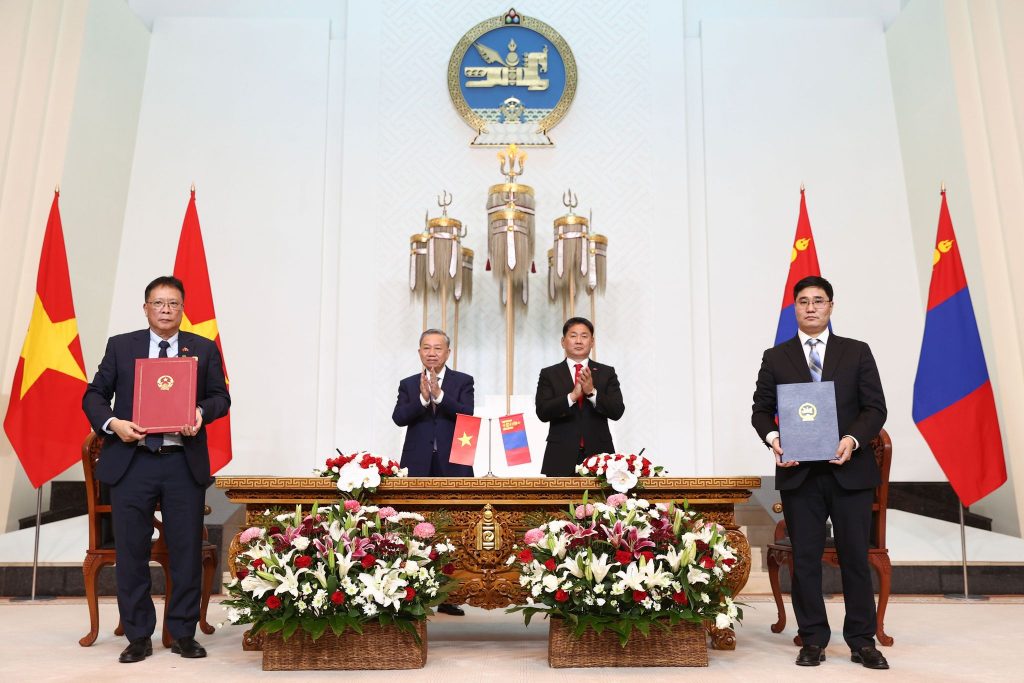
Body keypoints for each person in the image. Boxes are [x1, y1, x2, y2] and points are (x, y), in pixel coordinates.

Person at [83, 276, 230, 663]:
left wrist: (200, 412)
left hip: (182, 461)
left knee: (186, 550)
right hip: (133, 462)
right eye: (159, 303)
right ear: (145, 307)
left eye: (173, 304)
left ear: (183, 309)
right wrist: (114, 424)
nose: (166, 310)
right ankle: (138, 636)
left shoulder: (202, 348)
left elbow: (221, 398)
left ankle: (182, 633)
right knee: (131, 552)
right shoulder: (121, 346)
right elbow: (94, 395)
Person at [751, 275, 889, 670]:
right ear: (794, 308)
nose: (811, 307)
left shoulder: (856, 351)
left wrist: (852, 439)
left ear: (831, 306)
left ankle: (862, 641)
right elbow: (760, 411)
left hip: (850, 471)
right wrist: (774, 438)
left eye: (819, 300)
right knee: (806, 559)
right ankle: (812, 638)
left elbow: (875, 408)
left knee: (855, 558)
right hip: (800, 474)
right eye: (803, 301)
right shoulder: (775, 357)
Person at [391, 328, 473, 616]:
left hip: (454, 462)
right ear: (419, 352)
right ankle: (413, 594)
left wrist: (438, 395)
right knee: (416, 527)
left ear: (448, 352)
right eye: (426, 348)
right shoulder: (408, 384)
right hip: (418, 463)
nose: (432, 353)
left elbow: (467, 414)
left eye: (438, 348)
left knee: (453, 527)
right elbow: (399, 417)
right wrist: (423, 400)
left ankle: (449, 595)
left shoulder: (463, 381)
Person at [536, 317, 625, 477]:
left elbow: (617, 411)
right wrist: (571, 397)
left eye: (584, 336)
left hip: (600, 456)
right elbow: (543, 412)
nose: (578, 341)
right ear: (563, 342)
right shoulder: (549, 374)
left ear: (592, 342)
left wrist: (592, 392)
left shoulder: (606, 372)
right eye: (573, 336)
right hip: (560, 455)